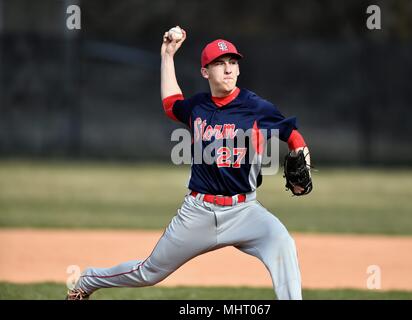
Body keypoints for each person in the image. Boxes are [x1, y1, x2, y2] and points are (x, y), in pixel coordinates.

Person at [67, 27, 312, 300]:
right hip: (198, 212)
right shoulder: (198, 107)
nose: (228, 69)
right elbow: (171, 104)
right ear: (205, 72)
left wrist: (301, 163)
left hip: (245, 211)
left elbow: (293, 135)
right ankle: (89, 280)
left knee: (283, 245)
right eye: (219, 63)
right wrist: (167, 55)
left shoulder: (257, 108)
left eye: (232, 63)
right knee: (148, 273)